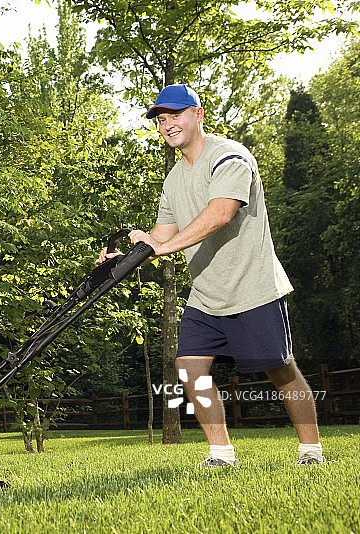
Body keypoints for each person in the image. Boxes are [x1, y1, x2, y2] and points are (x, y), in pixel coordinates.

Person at [99, 84, 325, 467]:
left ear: (198, 114)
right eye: (162, 119)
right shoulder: (173, 180)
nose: (169, 125)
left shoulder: (230, 157)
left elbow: (221, 213)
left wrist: (159, 248)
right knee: (189, 367)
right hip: (205, 294)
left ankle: (311, 451)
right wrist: (129, 255)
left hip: (252, 287)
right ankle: (220, 453)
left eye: (177, 115)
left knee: (281, 370)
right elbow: (162, 237)